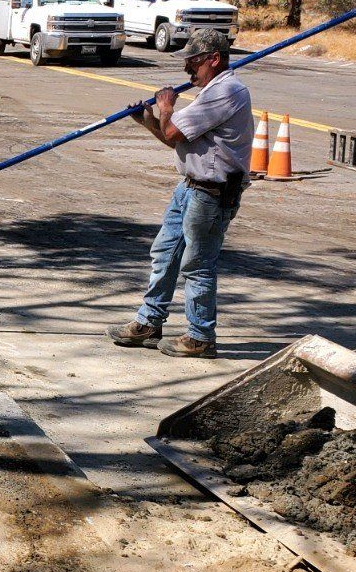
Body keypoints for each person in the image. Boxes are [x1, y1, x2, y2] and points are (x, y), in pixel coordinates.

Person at [107, 28, 254, 358]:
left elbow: (172, 130)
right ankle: (149, 322)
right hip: (189, 186)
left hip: (212, 194)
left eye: (194, 63)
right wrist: (147, 120)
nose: (189, 70)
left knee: (198, 264)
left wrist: (166, 107)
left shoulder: (226, 91)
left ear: (214, 59)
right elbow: (175, 138)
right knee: (165, 252)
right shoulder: (210, 90)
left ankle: (201, 336)